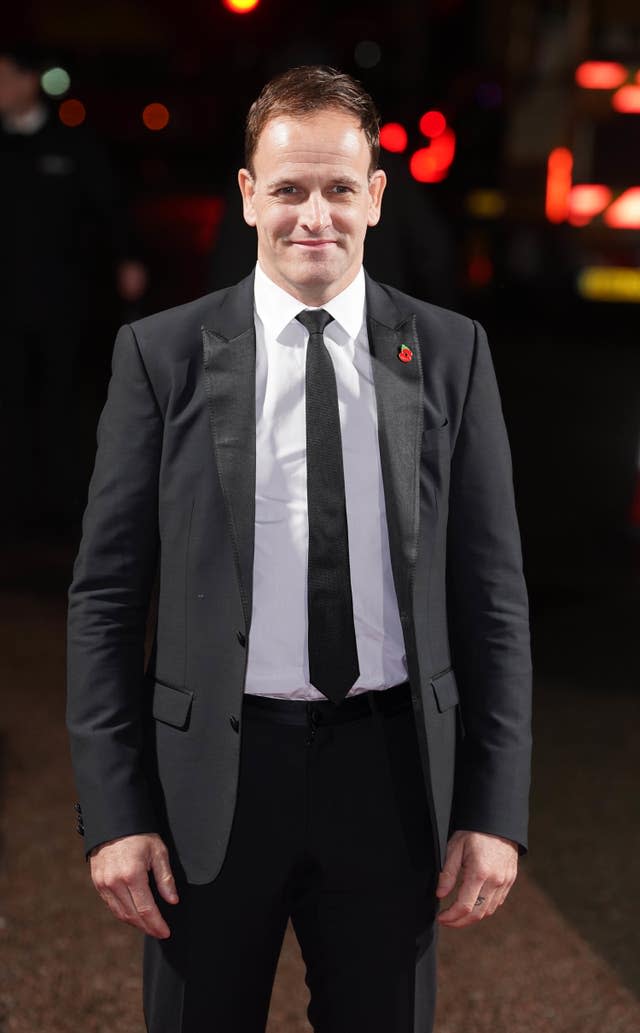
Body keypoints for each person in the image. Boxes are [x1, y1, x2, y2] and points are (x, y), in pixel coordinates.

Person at [66, 65, 532, 1033]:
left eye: (336, 187)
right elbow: (107, 596)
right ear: (247, 196)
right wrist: (114, 813)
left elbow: (492, 596)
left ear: (374, 195)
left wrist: (493, 809)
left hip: (392, 777)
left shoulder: (451, 353)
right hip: (213, 784)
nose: (312, 214)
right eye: (286, 189)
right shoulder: (162, 356)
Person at [0, 46, 147, 532]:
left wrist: (128, 259)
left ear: (27, 82)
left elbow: (109, 206)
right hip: (8, 301)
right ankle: (16, 505)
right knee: (12, 401)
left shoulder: (72, 142)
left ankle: (64, 507)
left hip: (64, 299)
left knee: (64, 400)